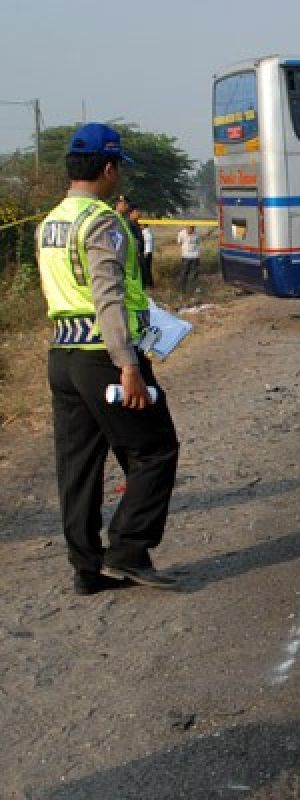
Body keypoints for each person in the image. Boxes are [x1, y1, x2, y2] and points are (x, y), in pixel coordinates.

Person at [35, 123, 180, 594]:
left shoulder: (51, 221)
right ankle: (129, 549)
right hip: (104, 356)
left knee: (78, 466)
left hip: (63, 355)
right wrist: (129, 365)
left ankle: (86, 568)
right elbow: (108, 295)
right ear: (110, 167)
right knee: (155, 450)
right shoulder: (102, 221)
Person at [114, 196, 147, 288]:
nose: (126, 206)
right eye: (124, 204)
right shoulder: (115, 220)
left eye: (127, 204)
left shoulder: (129, 222)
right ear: (117, 205)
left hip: (135, 256)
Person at [176, 224, 201, 293]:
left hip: (195, 256)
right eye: (190, 228)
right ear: (186, 227)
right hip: (186, 256)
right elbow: (179, 243)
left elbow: (198, 243)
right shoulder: (181, 233)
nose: (191, 229)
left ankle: (193, 288)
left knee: (195, 273)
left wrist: (198, 255)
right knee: (184, 272)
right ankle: (182, 289)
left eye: (193, 228)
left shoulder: (197, 234)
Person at [141, 217, 155, 288]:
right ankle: (149, 284)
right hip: (148, 252)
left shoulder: (146, 232)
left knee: (146, 269)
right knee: (147, 269)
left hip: (146, 253)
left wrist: (146, 252)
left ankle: (149, 284)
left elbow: (148, 242)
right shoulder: (148, 231)